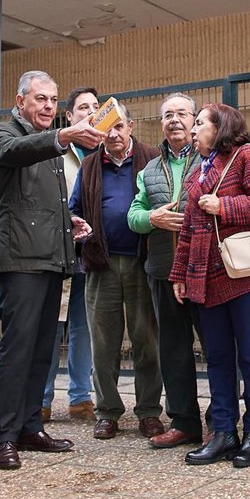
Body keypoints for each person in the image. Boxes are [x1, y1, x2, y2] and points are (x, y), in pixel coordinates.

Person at [0, 71, 105, 470]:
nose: (49, 106)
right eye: (40, 99)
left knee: (41, 350)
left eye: (53, 100)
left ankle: (30, 427)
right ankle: (3, 437)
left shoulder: (51, 146)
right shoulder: (1, 134)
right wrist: (64, 136)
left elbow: (38, 203)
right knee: (18, 349)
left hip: (52, 258)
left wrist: (69, 223)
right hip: (20, 260)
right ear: (20, 102)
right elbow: (16, 152)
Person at [169, 104, 250, 468]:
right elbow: (190, 228)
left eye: (199, 124)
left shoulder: (246, 156)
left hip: (247, 275)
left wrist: (224, 205)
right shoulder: (200, 168)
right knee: (218, 357)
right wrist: (180, 275)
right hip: (208, 278)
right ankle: (223, 433)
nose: (193, 131)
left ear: (220, 127)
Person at [69, 102, 165, 441]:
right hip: (101, 263)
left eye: (119, 126)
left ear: (131, 126)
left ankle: (149, 411)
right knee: (103, 344)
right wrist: (76, 222)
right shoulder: (90, 164)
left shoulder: (152, 159)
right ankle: (107, 412)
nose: (113, 134)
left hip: (143, 262)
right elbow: (74, 208)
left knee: (147, 340)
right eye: (106, 128)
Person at [127, 93, 209, 449]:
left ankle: (221, 420)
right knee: (173, 350)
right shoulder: (148, 170)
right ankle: (184, 422)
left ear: (194, 121)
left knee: (218, 349)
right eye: (168, 115)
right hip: (163, 270)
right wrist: (152, 218)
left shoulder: (210, 159)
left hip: (206, 272)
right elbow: (133, 216)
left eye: (182, 114)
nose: (175, 120)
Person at [42, 86, 100, 424]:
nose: (90, 112)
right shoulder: (56, 150)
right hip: (58, 249)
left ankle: (81, 397)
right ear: (69, 115)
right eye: (83, 107)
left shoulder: (104, 149)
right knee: (52, 325)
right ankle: (42, 398)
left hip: (92, 253)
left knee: (84, 326)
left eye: (95, 106)